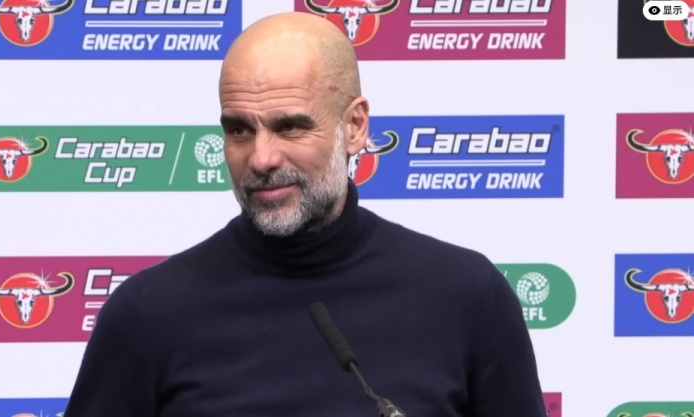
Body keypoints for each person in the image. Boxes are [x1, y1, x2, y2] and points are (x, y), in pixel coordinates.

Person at [64, 11, 546, 417]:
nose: (262, 158)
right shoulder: (147, 313)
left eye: (290, 127)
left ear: (354, 126)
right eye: (239, 130)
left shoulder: (468, 294)